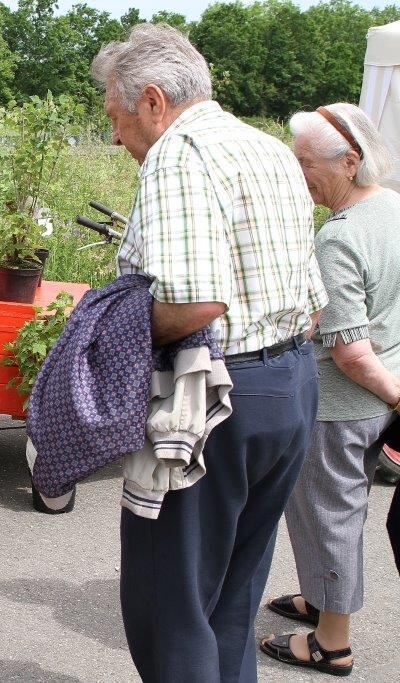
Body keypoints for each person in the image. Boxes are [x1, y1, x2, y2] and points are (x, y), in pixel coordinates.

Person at [90, 24, 326, 682]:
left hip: (214, 397)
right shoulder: (269, 147)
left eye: (114, 115)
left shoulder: (178, 152)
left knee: (171, 604)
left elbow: (195, 304)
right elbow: (315, 302)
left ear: (153, 101)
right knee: (232, 597)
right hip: (288, 386)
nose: (115, 137)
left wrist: (111, 337)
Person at [260, 103, 400, 677]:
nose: (299, 174)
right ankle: (320, 600)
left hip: (345, 404)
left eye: (307, 163)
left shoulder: (337, 239)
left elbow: (350, 351)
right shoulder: (394, 208)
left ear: (349, 161)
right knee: (345, 510)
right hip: (383, 395)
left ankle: (331, 642)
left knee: (329, 516)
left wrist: (395, 395)